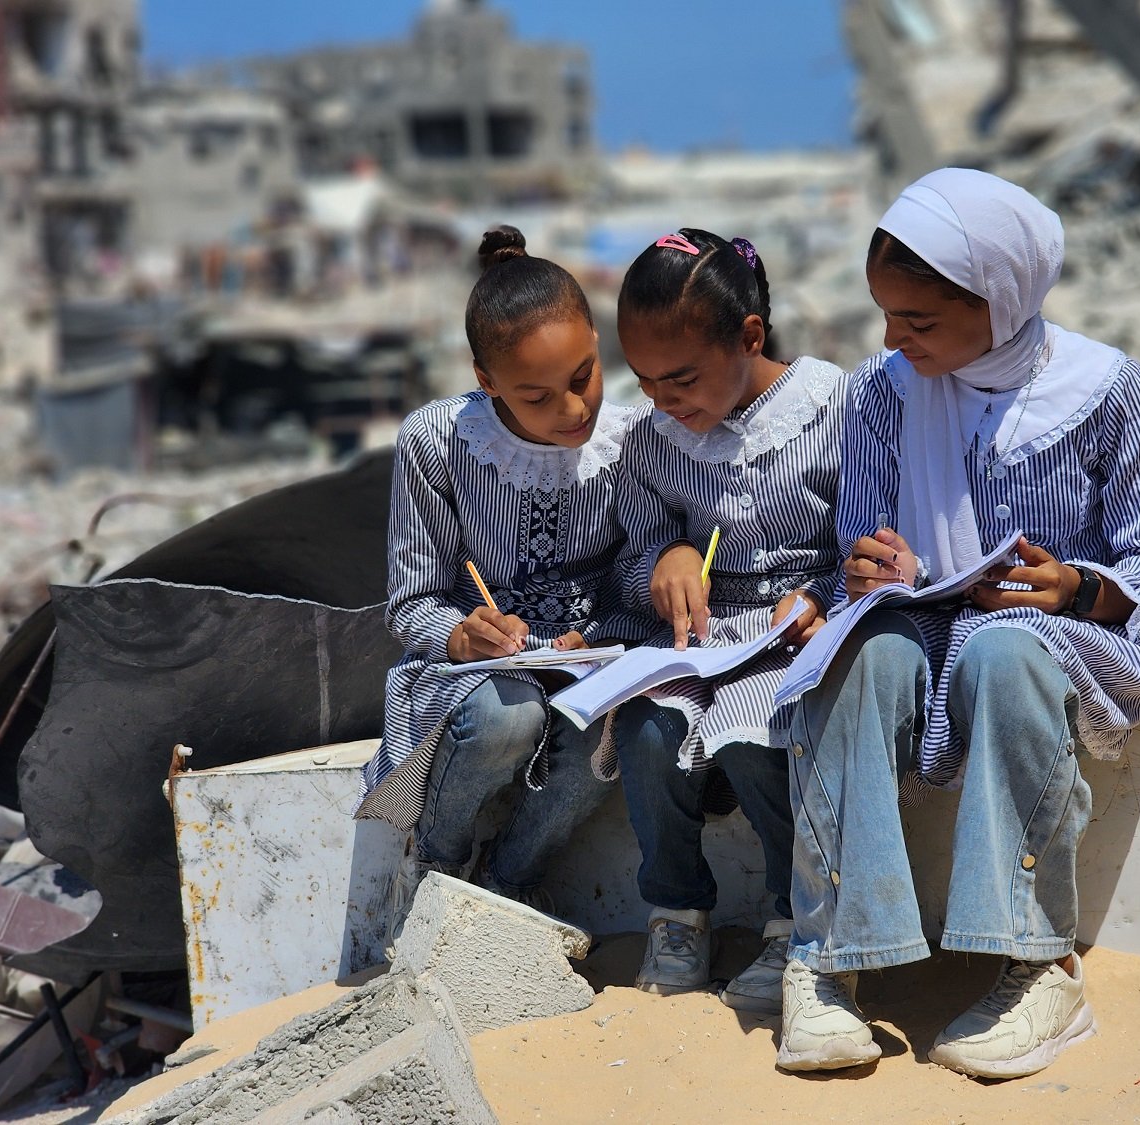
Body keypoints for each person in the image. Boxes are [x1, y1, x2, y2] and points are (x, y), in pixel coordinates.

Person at [777, 170, 1140, 1077]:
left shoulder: (1103, 389)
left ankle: (1039, 966)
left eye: (918, 322)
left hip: (1055, 637)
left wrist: (1078, 585)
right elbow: (862, 532)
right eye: (886, 315)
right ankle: (824, 961)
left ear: (1001, 301)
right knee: (863, 657)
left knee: (1005, 651)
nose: (894, 339)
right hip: (924, 623)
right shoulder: (883, 394)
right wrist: (867, 563)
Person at [354, 226, 648, 925]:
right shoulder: (436, 441)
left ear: (597, 344)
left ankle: (510, 887)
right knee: (506, 714)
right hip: (472, 679)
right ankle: (438, 867)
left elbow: (635, 581)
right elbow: (410, 602)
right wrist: (463, 636)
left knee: (605, 722)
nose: (574, 410)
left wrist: (601, 633)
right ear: (486, 383)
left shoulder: (634, 439)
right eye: (537, 397)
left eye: (583, 377)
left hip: (588, 664)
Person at [609, 229, 848, 1015]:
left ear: (750, 337)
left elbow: (868, 539)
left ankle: (791, 916)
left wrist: (818, 594)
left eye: (680, 378)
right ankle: (676, 911)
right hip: (698, 635)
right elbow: (631, 552)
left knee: (755, 738)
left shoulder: (833, 407)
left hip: (796, 629)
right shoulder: (653, 441)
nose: (664, 400)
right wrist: (665, 558)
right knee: (647, 728)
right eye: (645, 382)